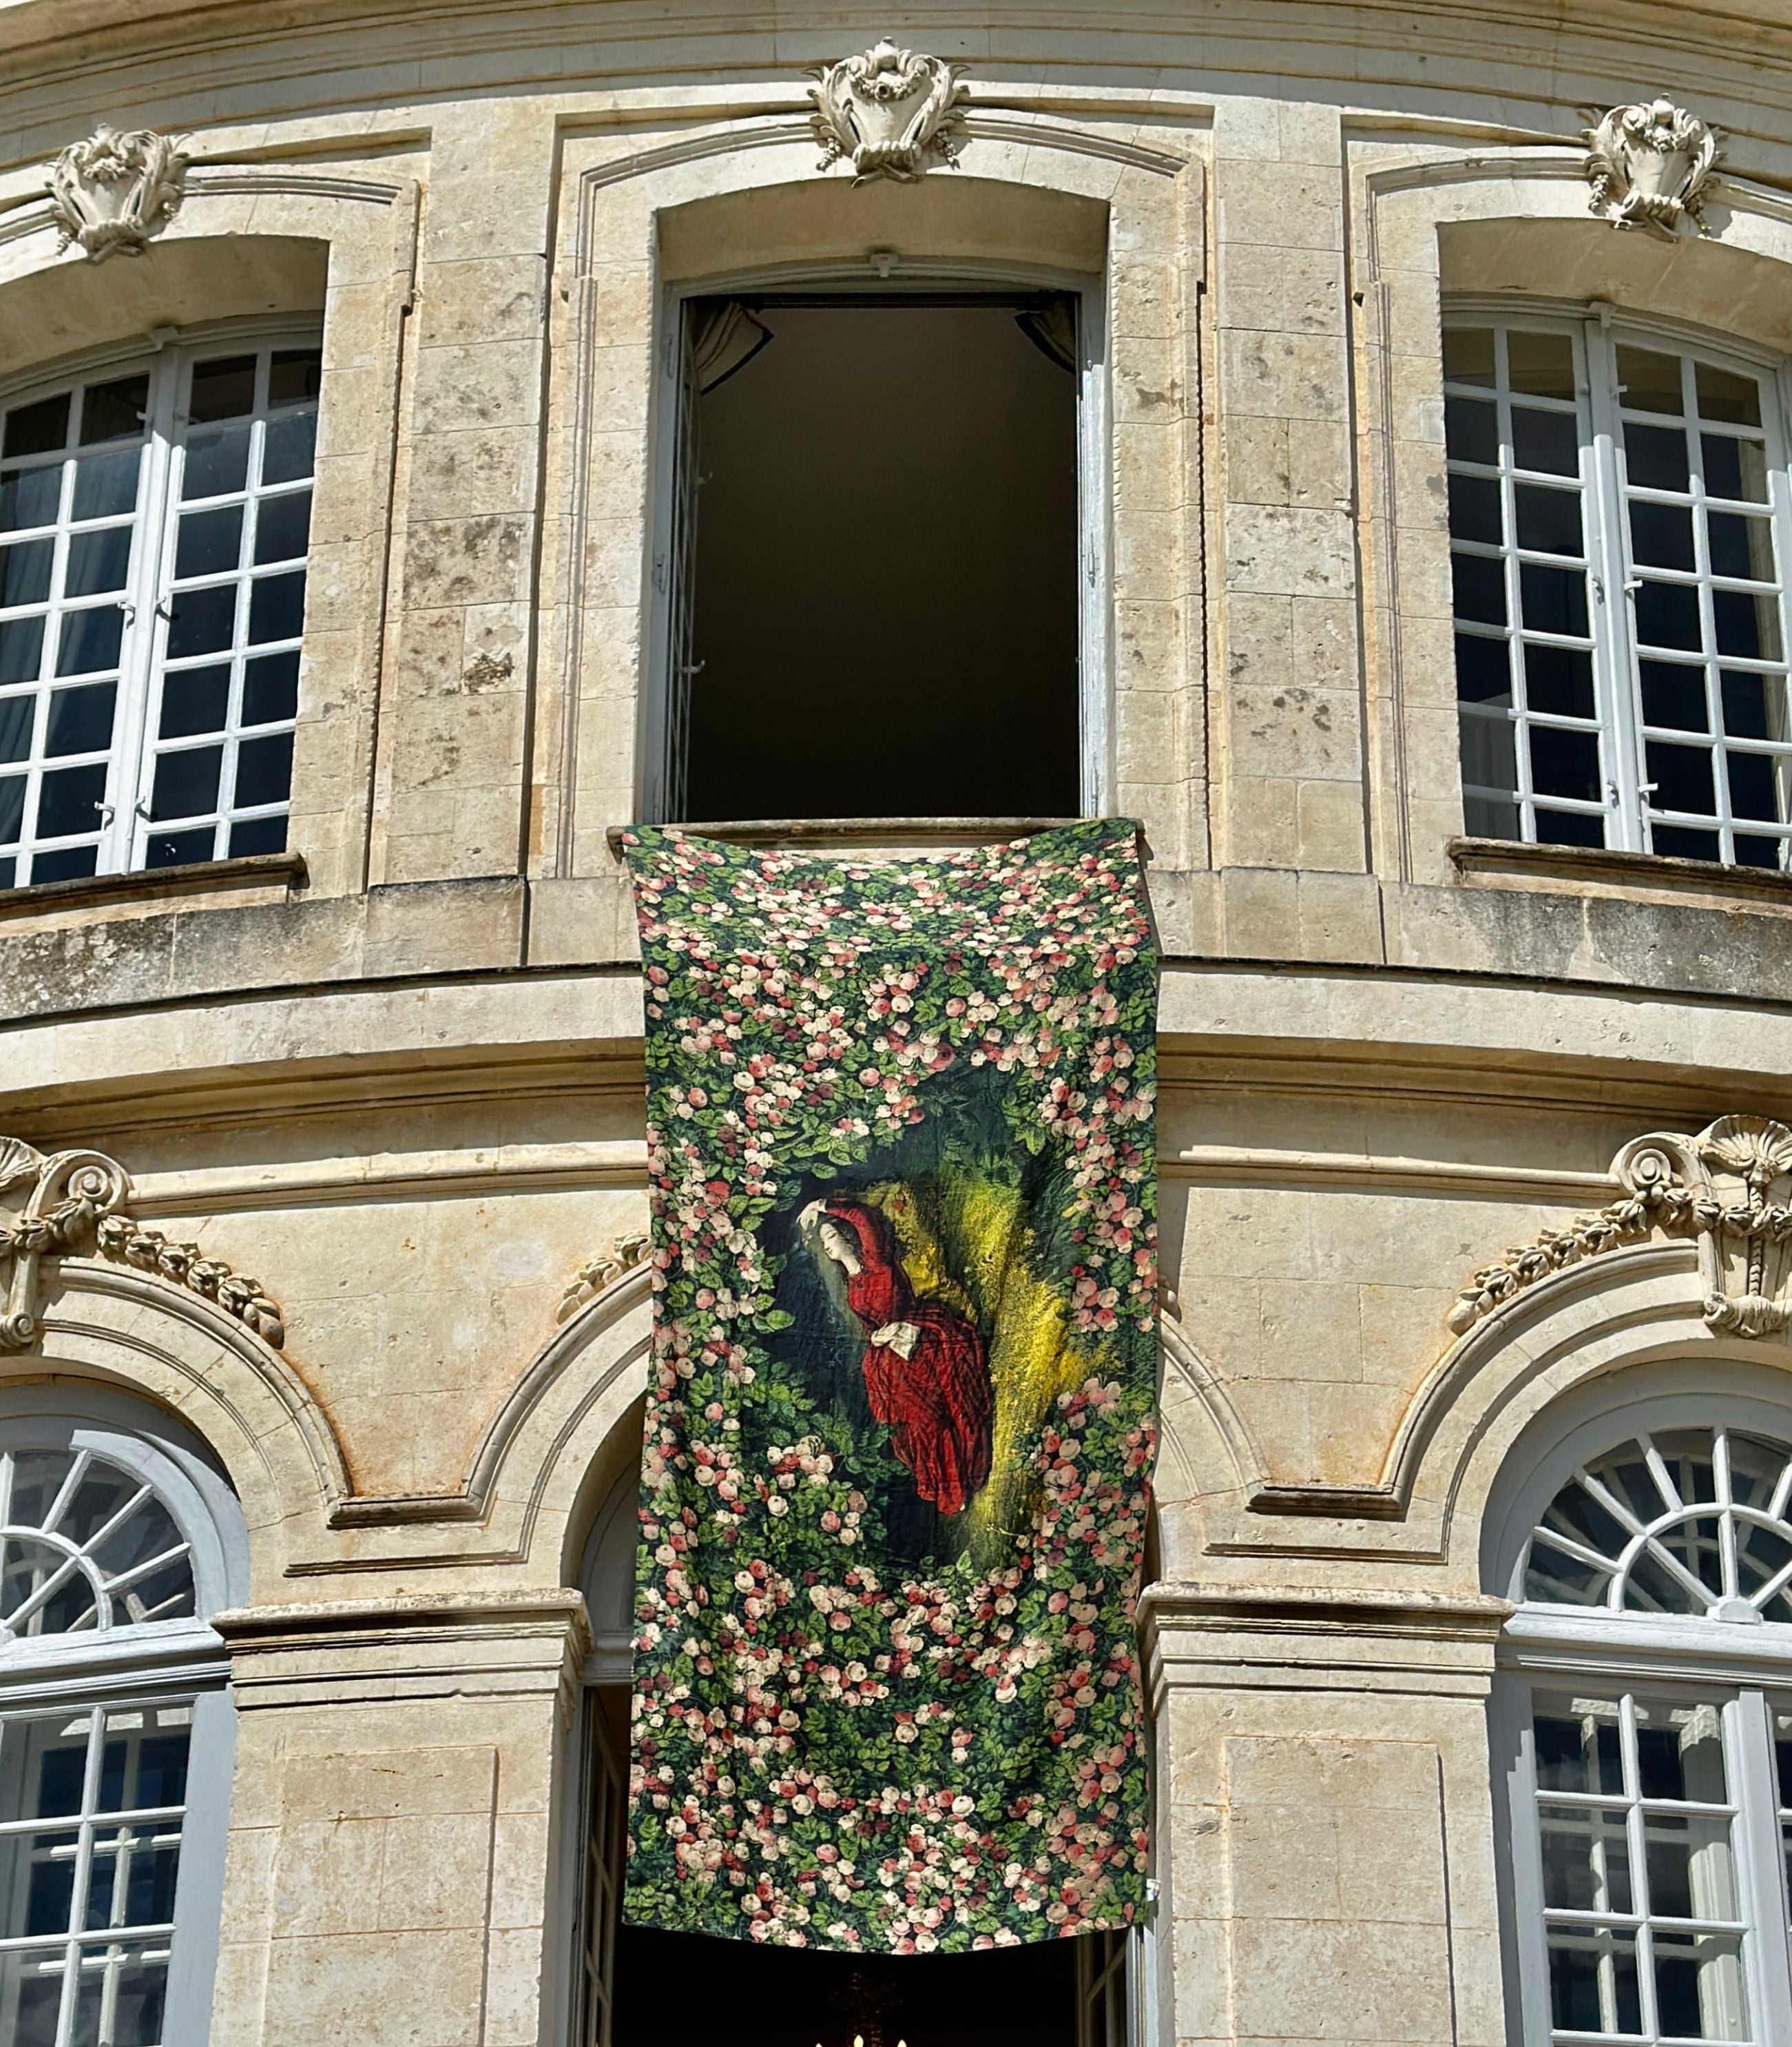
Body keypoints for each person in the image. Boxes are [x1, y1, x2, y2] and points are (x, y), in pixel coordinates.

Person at [801, 1196, 993, 1516]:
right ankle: (942, 1484)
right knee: (913, 1421)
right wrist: (876, 1337)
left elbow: (862, 1216)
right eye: (824, 1241)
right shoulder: (852, 1285)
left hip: (919, 1336)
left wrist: (820, 1205)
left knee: (932, 1412)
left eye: (832, 1236)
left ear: (849, 1236)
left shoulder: (876, 1260)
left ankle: (958, 1480)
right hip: (889, 1355)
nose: (828, 1245)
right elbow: (870, 1327)